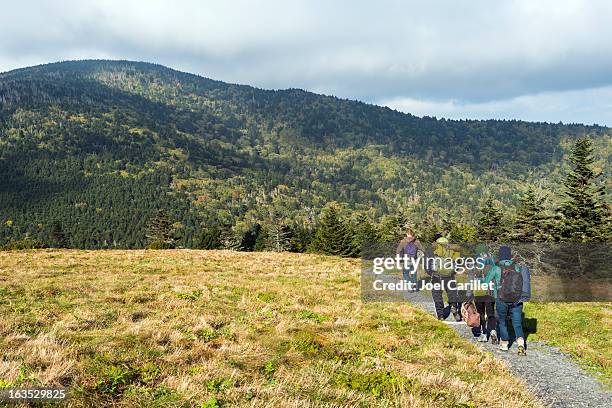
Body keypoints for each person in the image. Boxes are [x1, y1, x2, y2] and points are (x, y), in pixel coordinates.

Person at [481, 245, 529, 356]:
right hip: (517, 299)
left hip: (501, 298)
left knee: (502, 322)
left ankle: (504, 344)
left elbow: (486, 283)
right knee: (517, 323)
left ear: (500, 255)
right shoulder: (517, 266)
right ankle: (521, 344)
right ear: (509, 255)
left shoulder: (496, 268)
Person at [429, 235, 462, 321]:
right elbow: (457, 260)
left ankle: (440, 315)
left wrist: (431, 273)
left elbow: (428, 262)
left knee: (437, 295)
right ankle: (453, 307)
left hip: (437, 275)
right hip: (449, 275)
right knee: (452, 292)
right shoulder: (452, 249)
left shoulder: (434, 249)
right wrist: (454, 271)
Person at [470, 243, 497, 343]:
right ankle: (493, 331)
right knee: (491, 313)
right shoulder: (492, 259)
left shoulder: (475, 260)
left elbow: (472, 276)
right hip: (490, 290)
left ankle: (484, 334)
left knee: (481, 313)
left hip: (479, 290)